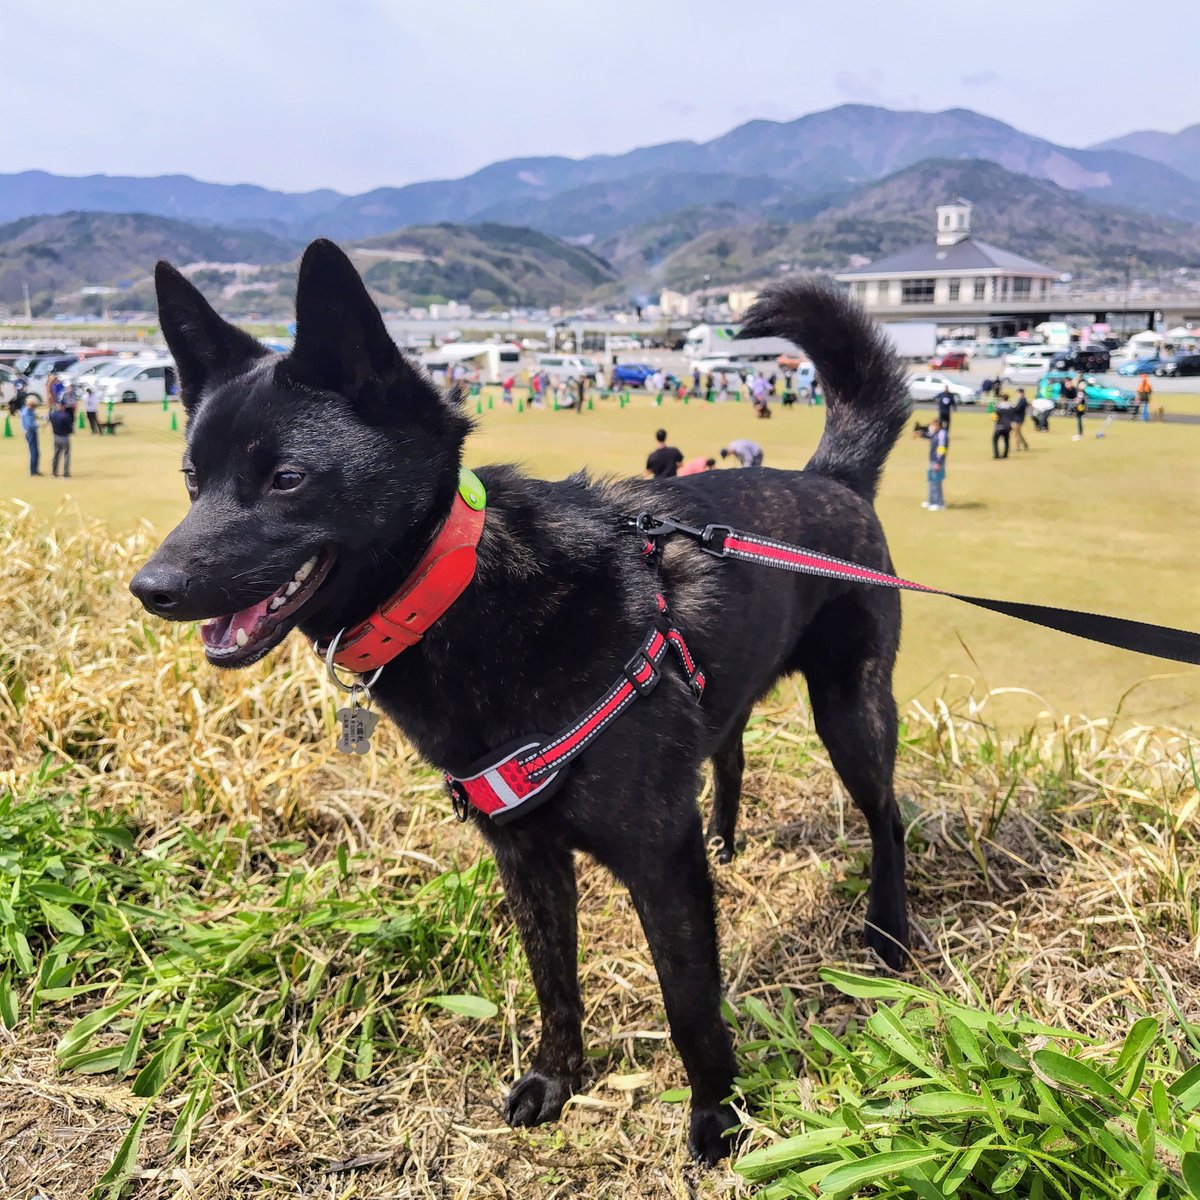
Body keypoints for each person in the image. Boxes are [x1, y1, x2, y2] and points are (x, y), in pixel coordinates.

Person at [919, 417, 948, 510]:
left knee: (936, 482)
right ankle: (931, 501)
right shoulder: (936, 433)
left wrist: (938, 463)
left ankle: (939, 503)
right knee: (931, 481)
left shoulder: (942, 434)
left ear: (938, 425)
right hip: (932, 461)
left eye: (933, 425)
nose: (931, 427)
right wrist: (921, 434)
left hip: (937, 462)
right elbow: (929, 436)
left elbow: (942, 449)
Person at [48, 397, 74, 477]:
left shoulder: (52, 415)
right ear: (63, 406)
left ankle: (54, 471)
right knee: (66, 455)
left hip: (56, 436)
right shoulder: (66, 416)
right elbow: (70, 427)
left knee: (56, 454)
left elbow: (50, 417)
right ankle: (65, 472)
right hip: (64, 436)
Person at [21, 396, 41, 476]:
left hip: (32, 432)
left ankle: (35, 470)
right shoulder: (26, 412)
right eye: (33, 406)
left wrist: (42, 417)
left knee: (36, 453)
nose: (34, 408)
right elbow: (30, 425)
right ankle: (33, 471)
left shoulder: (29, 410)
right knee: (34, 453)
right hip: (30, 433)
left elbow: (34, 415)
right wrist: (38, 425)